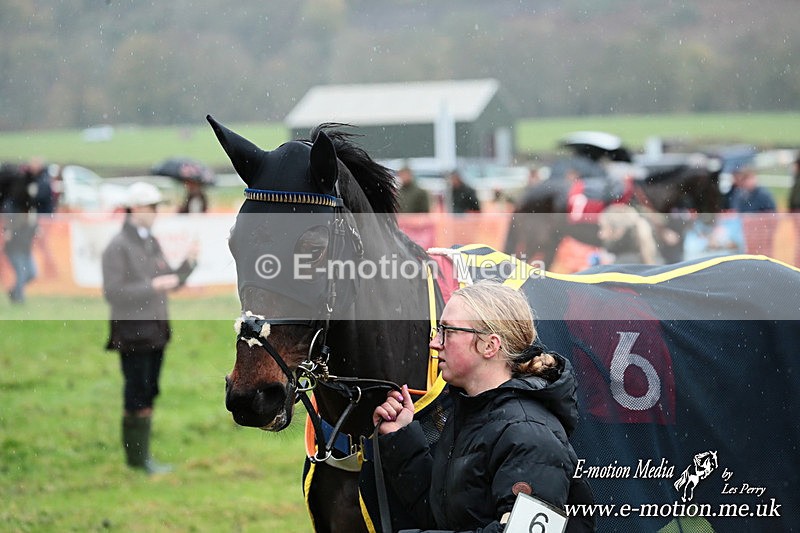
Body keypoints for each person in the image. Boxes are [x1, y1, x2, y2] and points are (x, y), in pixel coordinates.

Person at [372, 281, 595, 532]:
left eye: (447, 331)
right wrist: (400, 438)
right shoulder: (471, 415)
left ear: (489, 345)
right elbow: (443, 517)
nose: (434, 343)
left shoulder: (528, 432)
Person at [102, 182, 197, 474]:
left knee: (148, 392)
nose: (156, 212)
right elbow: (113, 292)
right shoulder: (117, 247)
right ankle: (137, 461)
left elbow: (170, 279)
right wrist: (152, 286)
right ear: (137, 208)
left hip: (155, 333)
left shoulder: (149, 241)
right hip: (133, 335)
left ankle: (141, 458)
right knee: (137, 395)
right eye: (152, 207)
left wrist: (188, 265)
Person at [596, 204, 662, 265]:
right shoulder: (641, 256)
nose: (600, 234)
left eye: (603, 228)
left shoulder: (622, 264)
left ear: (619, 231)